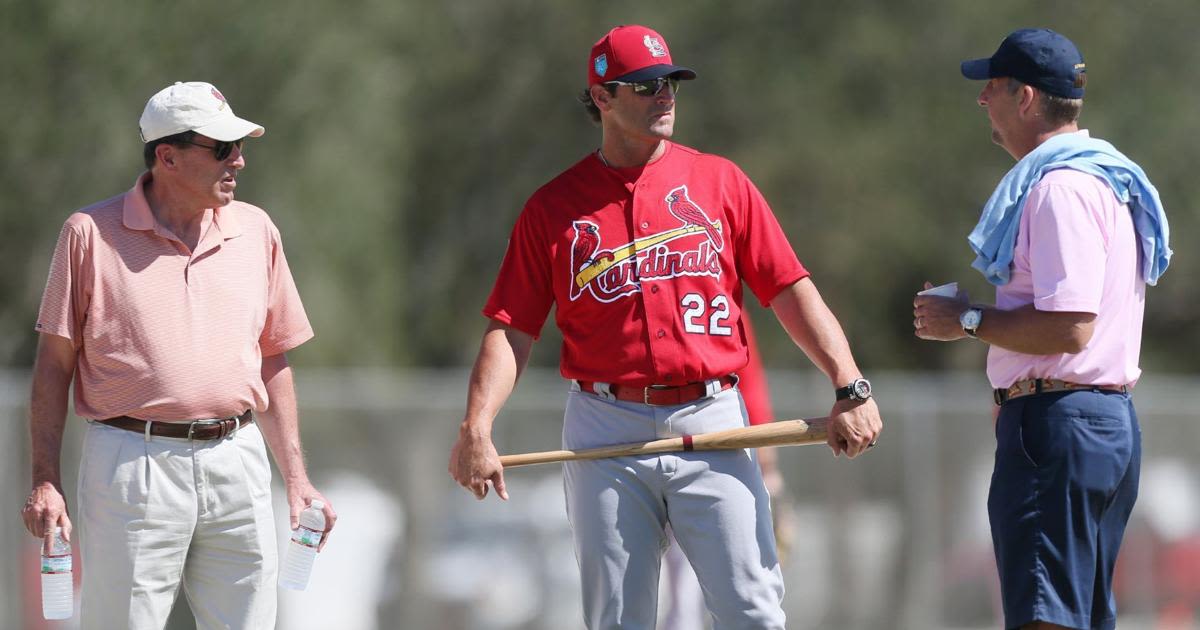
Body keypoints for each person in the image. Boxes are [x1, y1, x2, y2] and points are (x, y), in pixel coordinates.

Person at [449, 25, 881, 629]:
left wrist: (850, 383)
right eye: (647, 86)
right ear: (602, 98)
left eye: (671, 83)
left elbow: (788, 289)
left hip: (712, 417)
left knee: (752, 609)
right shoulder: (553, 208)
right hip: (605, 425)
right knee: (618, 617)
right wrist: (478, 426)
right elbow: (512, 328)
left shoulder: (720, 182)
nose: (666, 96)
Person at [21, 81, 337, 629]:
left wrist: (298, 479)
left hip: (238, 460)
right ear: (166, 155)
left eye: (239, 147)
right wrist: (46, 479)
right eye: (221, 148)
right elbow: (53, 365)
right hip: (130, 462)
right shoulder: (88, 234)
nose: (237, 160)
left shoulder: (258, 230)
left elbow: (273, 360)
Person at [914, 28, 1170, 630]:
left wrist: (967, 321)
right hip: (1090, 421)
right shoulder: (1105, 178)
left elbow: (1071, 327)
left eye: (992, 88)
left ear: (1025, 97)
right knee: (1074, 614)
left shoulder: (1061, 189)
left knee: (1043, 617)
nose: (983, 102)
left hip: (1060, 424)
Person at [660, 315, 795, 630]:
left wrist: (767, 462)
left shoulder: (711, 284)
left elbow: (747, 373)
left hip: (710, 452)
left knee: (712, 591)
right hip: (648, 444)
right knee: (680, 594)